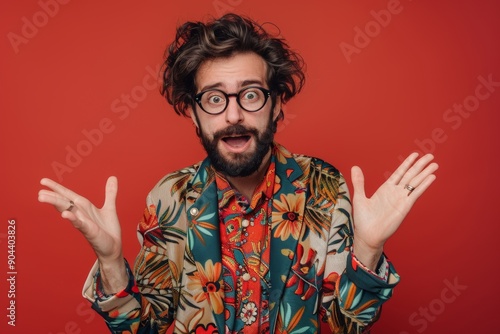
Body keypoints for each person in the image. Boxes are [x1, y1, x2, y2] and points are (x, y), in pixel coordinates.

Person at [38, 13, 438, 334]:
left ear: (277, 103)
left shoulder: (324, 187)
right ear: (193, 114)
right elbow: (142, 328)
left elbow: (346, 326)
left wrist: (367, 249)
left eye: (250, 95)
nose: (233, 115)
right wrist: (110, 262)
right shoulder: (169, 197)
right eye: (214, 99)